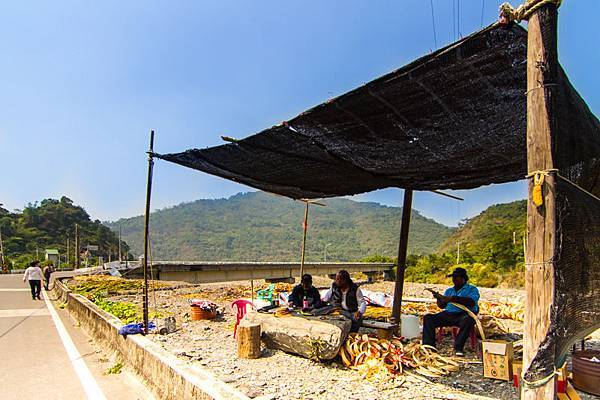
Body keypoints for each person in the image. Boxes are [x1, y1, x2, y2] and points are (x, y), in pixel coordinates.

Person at [422, 267, 480, 356]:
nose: (454, 280)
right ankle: (429, 346)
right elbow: (442, 306)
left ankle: (458, 348)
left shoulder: (472, 289)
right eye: (453, 277)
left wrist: (453, 299)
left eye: (457, 277)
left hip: (464, 314)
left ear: (463, 278)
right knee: (428, 318)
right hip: (448, 314)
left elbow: (471, 302)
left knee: (468, 320)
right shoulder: (449, 290)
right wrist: (440, 299)